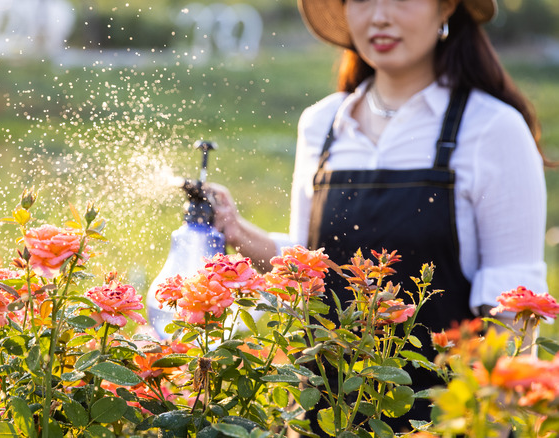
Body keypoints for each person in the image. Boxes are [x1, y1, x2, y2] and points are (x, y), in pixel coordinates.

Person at [208, 0, 550, 432]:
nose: (380, 16)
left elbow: (513, 308)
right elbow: (307, 265)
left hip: (445, 416)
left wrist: (498, 423)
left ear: (446, 8)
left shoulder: (491, 128)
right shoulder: (322, 124)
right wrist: (235, 229)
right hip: (330, 412)